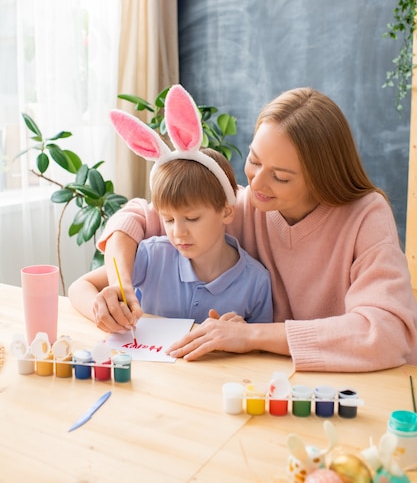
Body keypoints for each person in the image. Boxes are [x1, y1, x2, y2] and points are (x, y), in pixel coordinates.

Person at [91, 86, 417, 372]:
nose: (257, 182)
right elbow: (138, 216)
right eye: (255, 160)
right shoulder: (246, 205)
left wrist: (251, 335)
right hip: (271, 380)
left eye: (281, 176)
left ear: (321, 178)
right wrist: (121, 284)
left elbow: (387, 333)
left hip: (359, 388)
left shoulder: (366, 217)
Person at [68, 86, 273, 326]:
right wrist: (101, 310)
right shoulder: (151, 256)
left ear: (226, 211)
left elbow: (261, 351)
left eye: (192, 218)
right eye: (168, 219)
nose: (178, 232)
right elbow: (79, 287)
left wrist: (244, 337)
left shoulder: (256, 281)